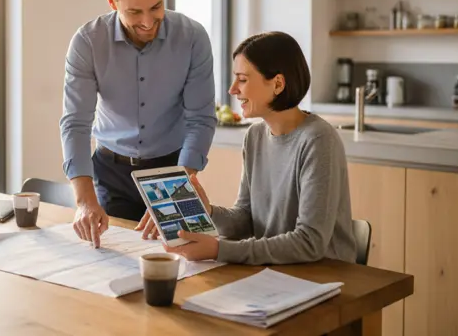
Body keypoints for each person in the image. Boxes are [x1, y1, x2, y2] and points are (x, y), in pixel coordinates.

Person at [138, 31, 357, 265]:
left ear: (278, 84)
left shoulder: (318, 140)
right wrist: (208, 210)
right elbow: (245, 219)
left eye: (242, 79)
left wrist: (219, 250)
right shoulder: (255, 136)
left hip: (326, 277)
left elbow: (310, 243)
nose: (232, 89)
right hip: (278, 273)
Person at [60, 0, 217, 248]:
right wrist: (84, 200)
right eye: (135, 12)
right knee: (111, 263)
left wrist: (177, 188)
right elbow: (76, 123)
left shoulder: (193, 37)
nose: (148, 21)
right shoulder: (87, 42)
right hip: (111, 174)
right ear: (112, 1)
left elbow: (201, 119)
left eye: (156, 7)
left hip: (174, 170)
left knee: (183, 262)